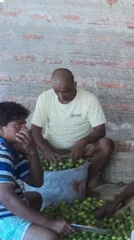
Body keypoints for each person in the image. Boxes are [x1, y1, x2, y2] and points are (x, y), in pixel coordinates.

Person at [0, 102, 74, 240]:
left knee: (36, 197)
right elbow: (6, 198)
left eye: (24, 124)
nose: (25, 129)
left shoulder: (7, 146)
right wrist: (49, 223)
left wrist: (32, 152)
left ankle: (23, 224)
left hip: (0, 205)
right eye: (18, 125)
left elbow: (36, 182)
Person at [30, 68, 114, 196]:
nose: (61, 96)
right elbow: (35, 130)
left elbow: (100, 130)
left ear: (75, 85)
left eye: (65, 91)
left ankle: (82, 184)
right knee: (23, 142)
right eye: (56, 91)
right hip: (51, 148)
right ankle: (38, 184)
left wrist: (83, 141)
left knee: (106, 144)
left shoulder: (88, 99)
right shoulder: (45, 98)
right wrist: (47, 150)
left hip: (79, 150)